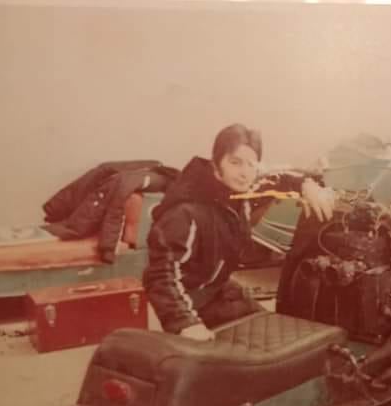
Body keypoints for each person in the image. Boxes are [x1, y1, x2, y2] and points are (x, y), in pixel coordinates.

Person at [143, 123, 335, 341]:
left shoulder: (240, 190)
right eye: (235, 163)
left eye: (251, 165)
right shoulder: (186, 212)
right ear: (216, 165)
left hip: (220, 289)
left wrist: (306, 185)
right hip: (188, 299)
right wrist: (184, 323)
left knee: (273, 330)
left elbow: (277, 177)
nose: (245, 174)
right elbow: (160, 276)